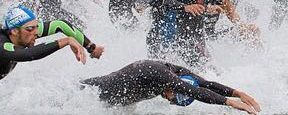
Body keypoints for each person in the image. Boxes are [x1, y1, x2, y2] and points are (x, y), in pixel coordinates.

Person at [81, 60, 260, 114]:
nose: (168, 100)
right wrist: (229, 102)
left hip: (103, 105)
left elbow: (203, 84)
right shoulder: (159, 72)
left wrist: (238, 93)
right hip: (86, 93)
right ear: (175, 88)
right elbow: (194, 91)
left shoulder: (179, 73)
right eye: (173, 98)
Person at [1, 5, 104, 80]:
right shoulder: (3, 45)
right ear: (14, 31)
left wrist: (91, 48)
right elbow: (28, 54)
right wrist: (67, 40)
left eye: (37, 26)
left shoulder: (23, 32)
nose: (36, 32)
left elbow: (60, 25)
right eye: (30, 28)